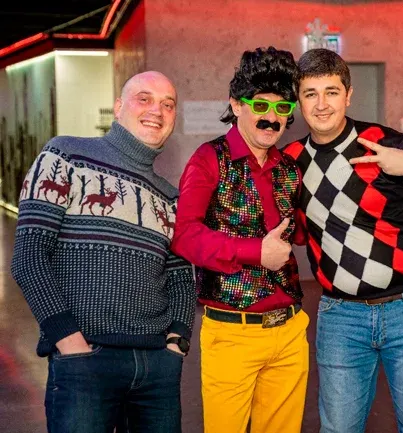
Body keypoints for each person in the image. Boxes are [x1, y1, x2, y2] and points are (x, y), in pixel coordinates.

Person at [283, 48, 403, 433]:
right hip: (341, 318)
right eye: (310, 93)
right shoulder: (290, 161)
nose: (322, 104)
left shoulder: (383, 142)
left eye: (332, 92)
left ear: (348, 95)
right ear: (298, 100)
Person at [11, 71, 197, 433]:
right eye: (144, 99)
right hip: (84, 360)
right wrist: (68, 340)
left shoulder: (170, 196)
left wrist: (176, 343)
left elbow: (180, 280)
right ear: (118, 107)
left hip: (156, 368)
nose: (157, 111)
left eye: (168, 104)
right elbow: (29, 257)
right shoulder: (64, 155)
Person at [171, 47, 308, 433]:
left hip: (289, 331)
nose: (272, 118)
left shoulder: (289, 169)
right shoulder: (208, 159)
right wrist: (254, 252)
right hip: (232, 333)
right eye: (260, 105)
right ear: (236, 104)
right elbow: (184, 235)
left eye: (282, 108)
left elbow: (301, 232)